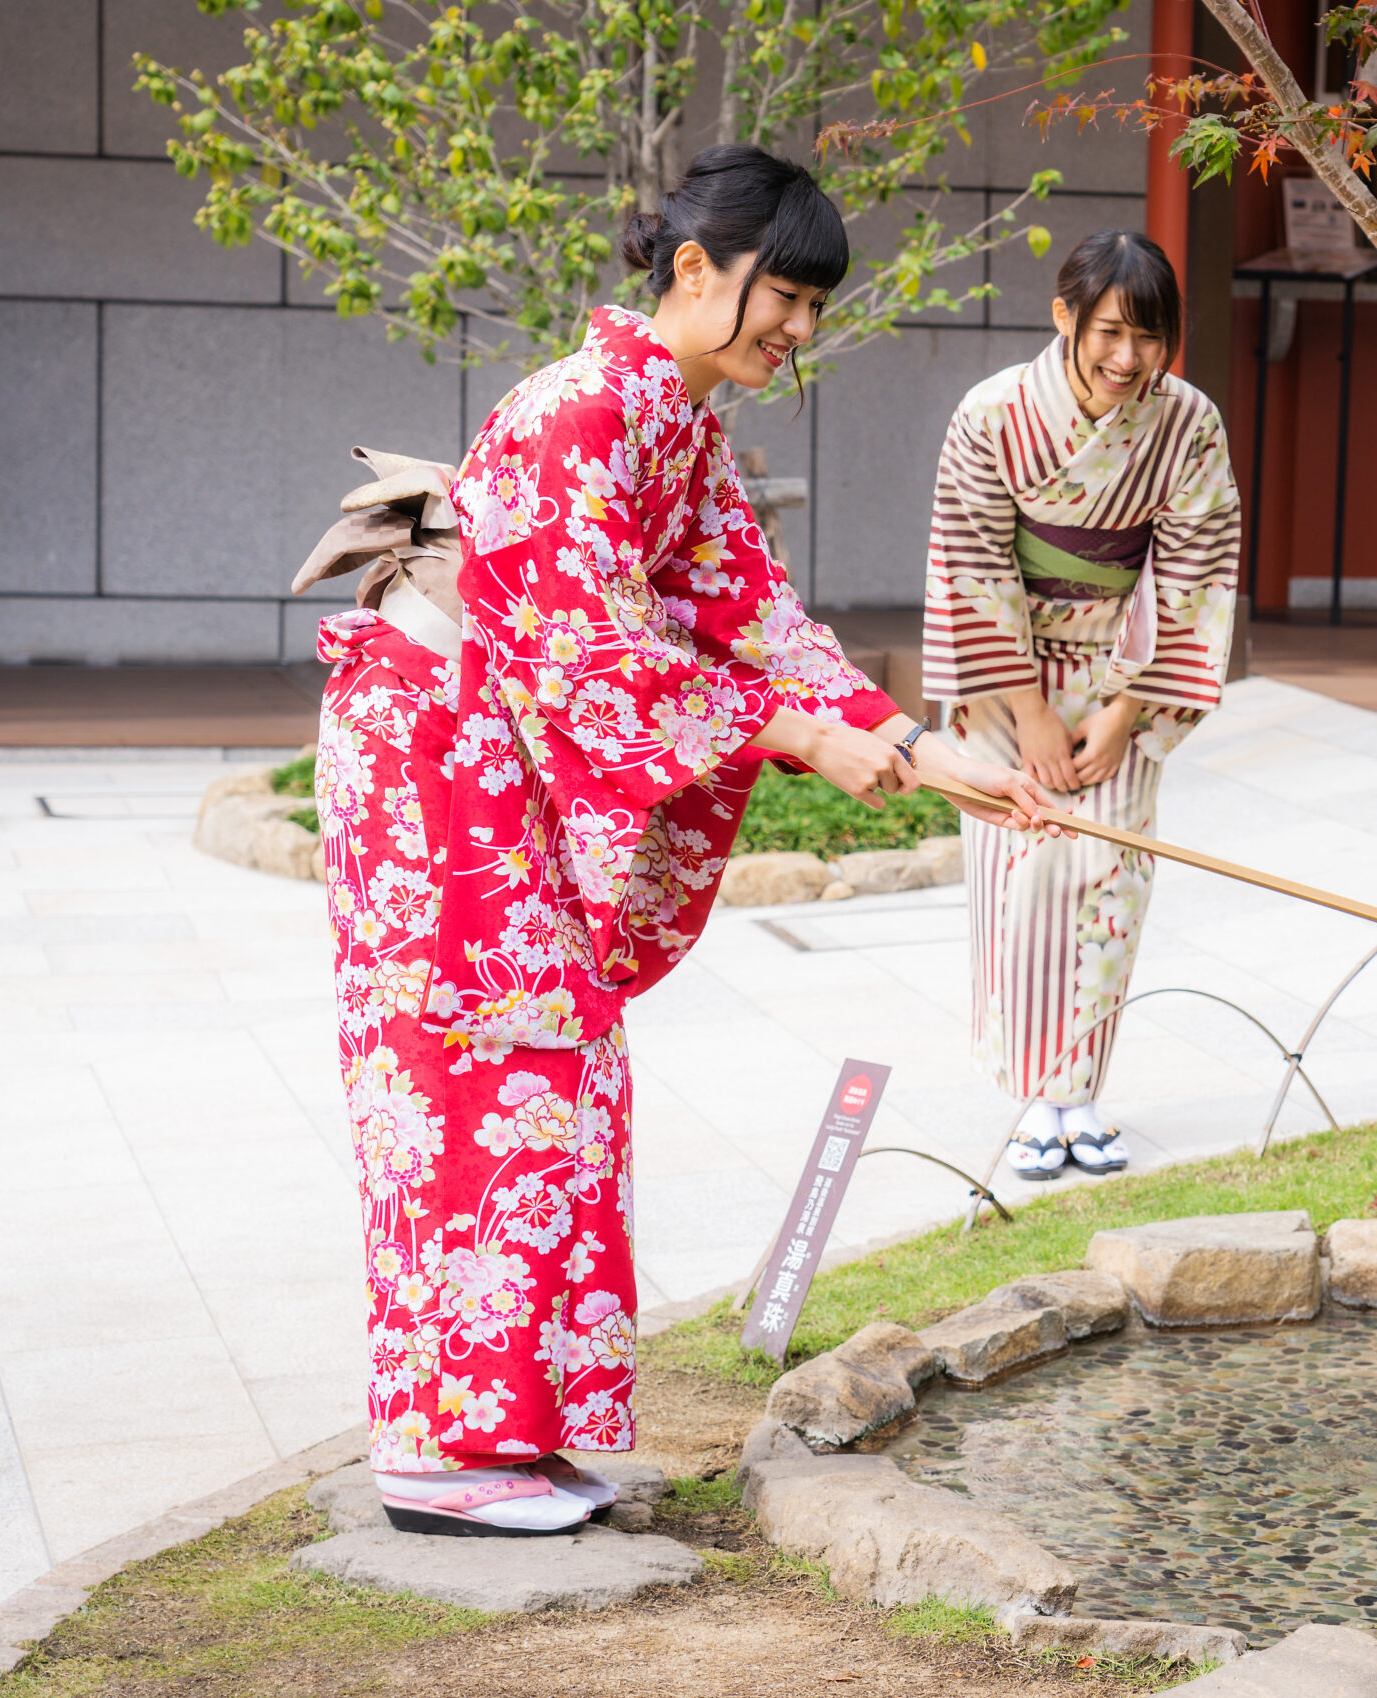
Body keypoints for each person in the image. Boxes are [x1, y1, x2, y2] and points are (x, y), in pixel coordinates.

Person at [311, 144, 1051, 1538]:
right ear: (695, 269)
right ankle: (435, 1446)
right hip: (440, 768)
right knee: (476, 1078)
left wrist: (918, 742)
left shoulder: (675, 419)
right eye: (788, 295)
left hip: (496, 750)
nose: (802, 328)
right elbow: (598, 658)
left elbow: (756, 619)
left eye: (818, 306)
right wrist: (796, 736)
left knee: (559, 1075)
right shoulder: (578, 411)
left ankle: (514, 1432)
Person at [922, 230, 1241, 1182]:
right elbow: (974, 565)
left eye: (1150, 337)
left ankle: (1084, 1093)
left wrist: (1123, 710)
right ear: (1064, 317)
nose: (1128, 357)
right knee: (1025, 883)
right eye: (1109, 330)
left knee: (1111, 882)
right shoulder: (992, 416)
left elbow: (1191, 568)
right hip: (1008, 684)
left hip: (1120, 680)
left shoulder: (1188, 424)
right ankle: (1033, 1100)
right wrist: (1029, 715)